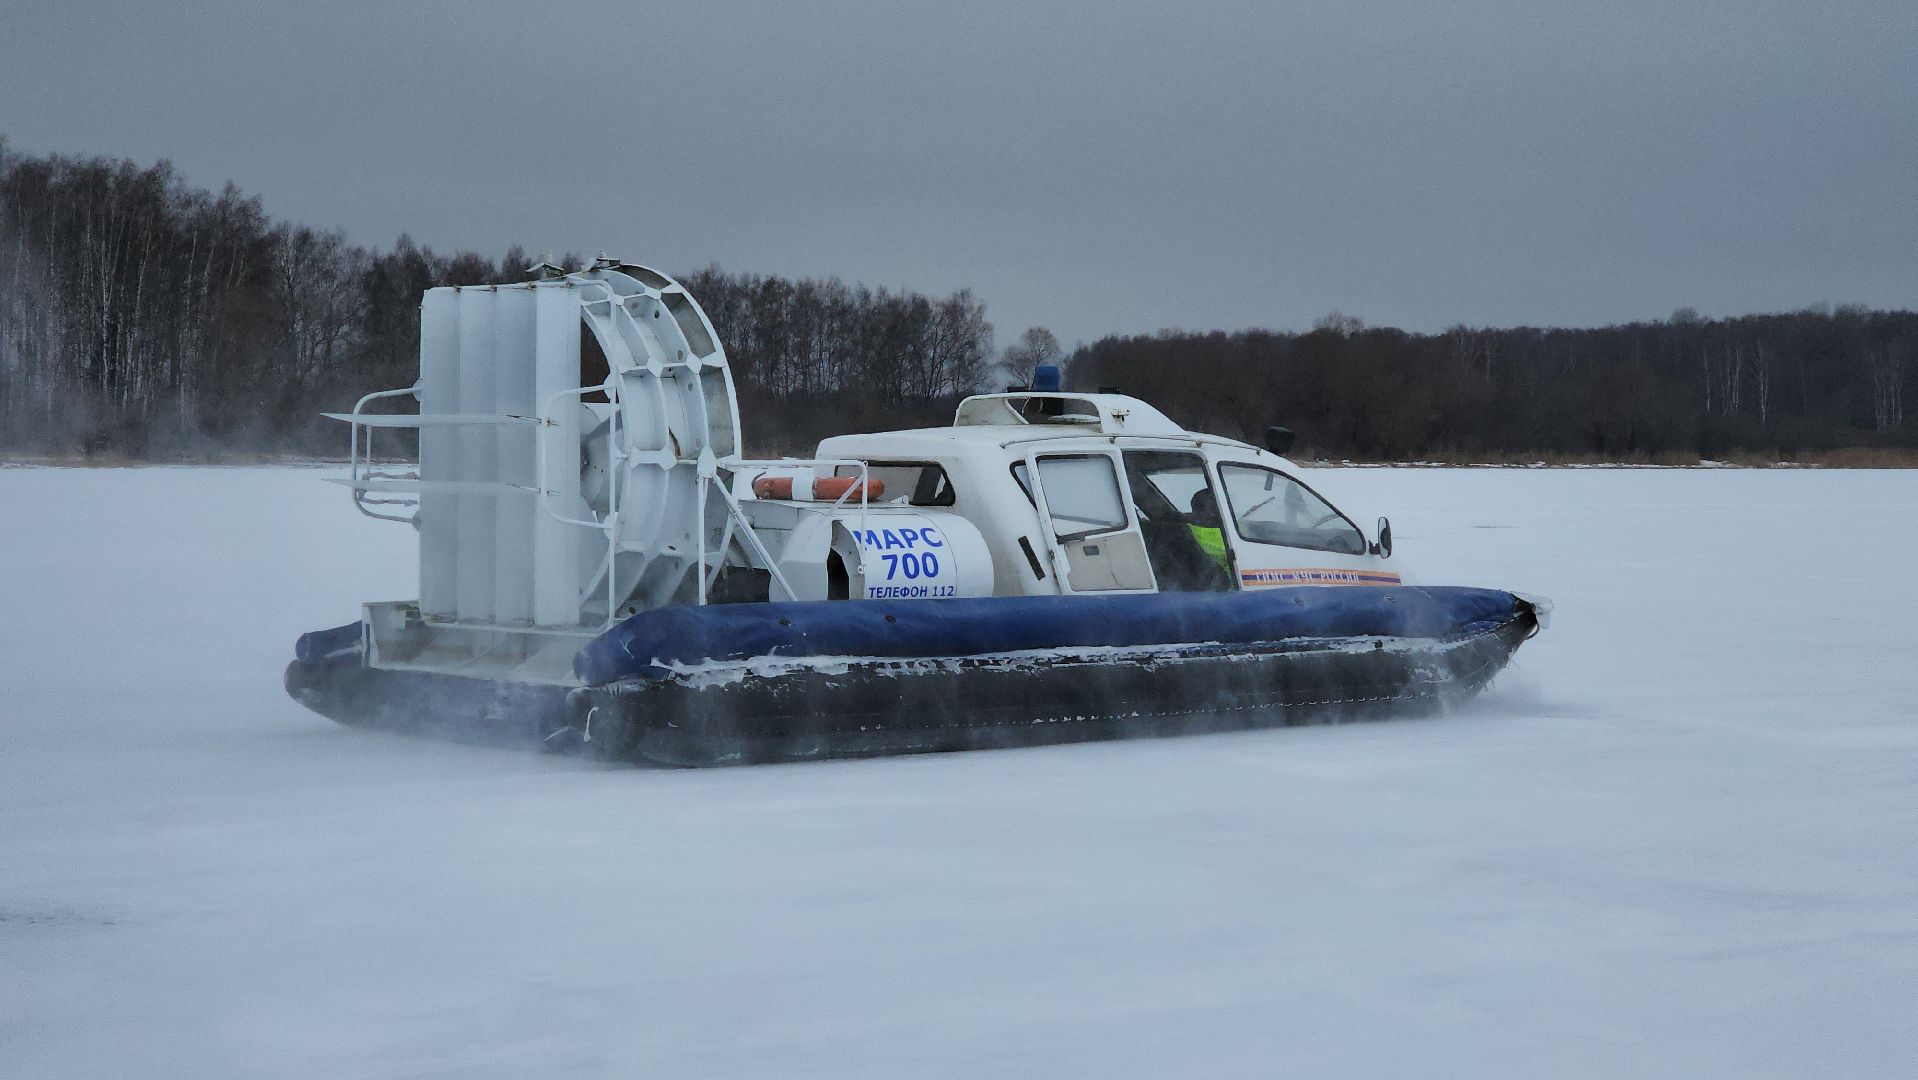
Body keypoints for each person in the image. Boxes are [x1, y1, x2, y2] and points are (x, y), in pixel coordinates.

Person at [1187, 489, 1232, 573]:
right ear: (1198, 513)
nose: (1220, 511)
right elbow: (1232, 553)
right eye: (1215, 507)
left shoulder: (1226, 526)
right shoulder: (1195, 535)